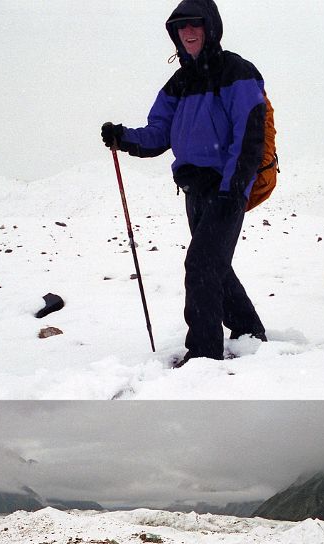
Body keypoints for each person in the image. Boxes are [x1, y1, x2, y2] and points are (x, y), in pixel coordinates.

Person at [100, 0, 267, 365]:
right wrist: (123, 137)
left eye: (195, 24)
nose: (188, 32)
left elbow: (249, 134)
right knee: (214, 265)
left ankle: (204, 356)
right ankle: (249, 331)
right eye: (181, 26)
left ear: (210, 28)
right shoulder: (179, 82)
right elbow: (159, 132)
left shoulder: (236, 72)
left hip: (225, 188)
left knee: (202, 265)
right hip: (194, 190)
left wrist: (233, 189)